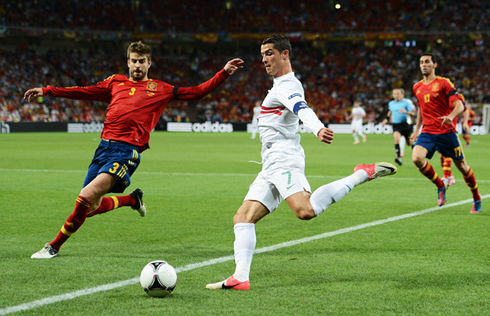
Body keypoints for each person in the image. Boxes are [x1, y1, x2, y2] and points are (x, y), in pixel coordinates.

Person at [205, 35, 397, 291]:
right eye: (262, 54)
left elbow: (301, 108)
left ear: (285, 54)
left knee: (305, 211)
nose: (264, 59)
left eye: (270, 53)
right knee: (243, 217)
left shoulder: (287, 85)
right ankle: (240, 277)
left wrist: (317, 129)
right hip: (270, 162)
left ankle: (360, 174)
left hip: (284, 158)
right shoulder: (277, 87)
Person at [24, 41, 244, 259]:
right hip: (102, 149)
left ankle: (53, 247)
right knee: (90, 208)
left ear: (149, 63)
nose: (137, 65)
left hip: (126, 153)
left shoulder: (160, 88)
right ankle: (132, 200)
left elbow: (196, 92)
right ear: (128, 62)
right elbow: (83, 91)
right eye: (134, 61)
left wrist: (223, 73)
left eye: (142, 61)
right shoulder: (114, 83)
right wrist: (47, 91)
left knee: (84, 197)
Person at [411, 53, 481, 213]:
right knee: (416, 158)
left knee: (462, 167)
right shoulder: (417, 87)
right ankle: (440, 185)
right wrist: (416, 130)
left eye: (427, 62)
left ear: (434, 65)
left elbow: (460, 106)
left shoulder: (443, 83)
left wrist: (450, 117)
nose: (424, 65)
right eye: (421, 62)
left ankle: (476, 197)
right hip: (428, 132)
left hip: (446, 132)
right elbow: (421, 109)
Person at [382, 88, 415, 165]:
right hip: (396, 125)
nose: (396, 95)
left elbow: (414, 113)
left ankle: (415, 149)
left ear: (401, 95)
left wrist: (406, 112)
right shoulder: (391, 103)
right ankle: (399, 158)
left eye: (397, 94)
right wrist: (386, 119)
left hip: (405, 125)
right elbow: (390, 111)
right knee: (396, 140)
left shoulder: (406, 103)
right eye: (394, 94)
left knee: (409, 143)